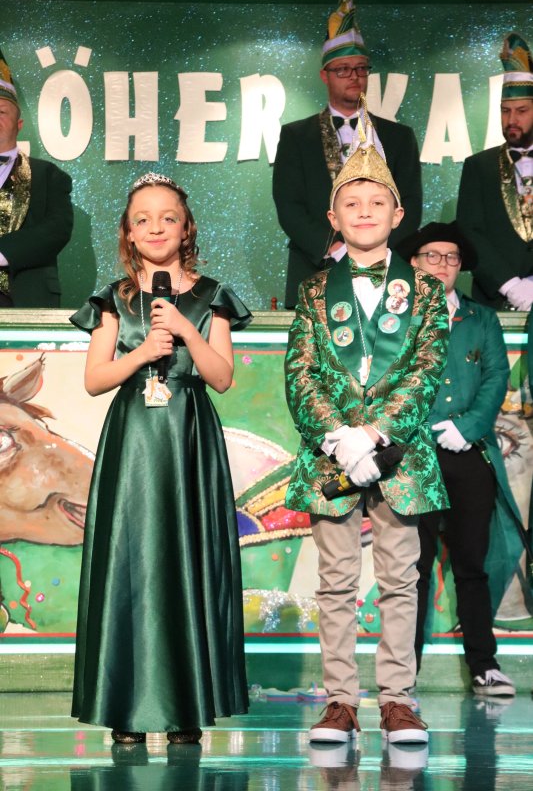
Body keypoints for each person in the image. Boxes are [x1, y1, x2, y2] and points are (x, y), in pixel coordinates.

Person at [284, 99, 448, 745]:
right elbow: (300, 375)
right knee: (335, 583)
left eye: (376, 203)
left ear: (397, 215)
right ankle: (340, 702)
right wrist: (339, 437)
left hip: (398, 456)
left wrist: (374, 434)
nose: (363, 212)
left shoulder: (426, 291)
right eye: (350, 203)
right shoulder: (312, 291)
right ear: (332, 217)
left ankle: (398, 701)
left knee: (401, 580)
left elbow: (426, 370)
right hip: (332, 458)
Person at [70, 172, 251, 744]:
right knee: (132, 558)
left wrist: (185, 333)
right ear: (127, 231)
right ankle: (126, 706)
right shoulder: (114, 298)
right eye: (142, 219)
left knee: (185, 555)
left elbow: (221, 377)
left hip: (188, 437)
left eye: (167, 218)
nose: (155, 228)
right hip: (135, 441)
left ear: (186, 228)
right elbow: (95, 379)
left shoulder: (211, 295)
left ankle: (185, 707)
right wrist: (143, 351)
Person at [397, 221, 524, 697]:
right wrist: (426, 428)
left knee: (473, 564)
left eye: (451, 257)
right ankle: (402, 674)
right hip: (415, 455)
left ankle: (484, 665)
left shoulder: (481, 318)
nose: (442, 265)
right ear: (414, 263)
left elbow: (495, 377)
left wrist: (468, 429)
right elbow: (388, 381)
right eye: (432, 256)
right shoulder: (396, 318)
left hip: (469, 455)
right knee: (412, 567)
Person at [273, 0, 422, 309]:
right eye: (343, 69)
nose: (354, 77)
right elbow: (289, 206)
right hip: (315, 267)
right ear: (324, 75)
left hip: (386, 272)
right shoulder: (296, 136)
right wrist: (337, 248)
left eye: (361, 68)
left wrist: (376, 254)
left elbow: (409, 205)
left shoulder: (399, 137)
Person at [457, 33, 533, 311]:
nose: (511, 120)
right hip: (493, 303)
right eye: (505, 111)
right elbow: (469, 231)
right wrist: (511, 286)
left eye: (521, 110)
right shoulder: (479, 166)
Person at [0, 46, 73, 307]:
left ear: (19, 124)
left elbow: (56, 230)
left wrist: (2, 253)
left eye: (1, 112)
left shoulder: (48, 175)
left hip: (26, 298)